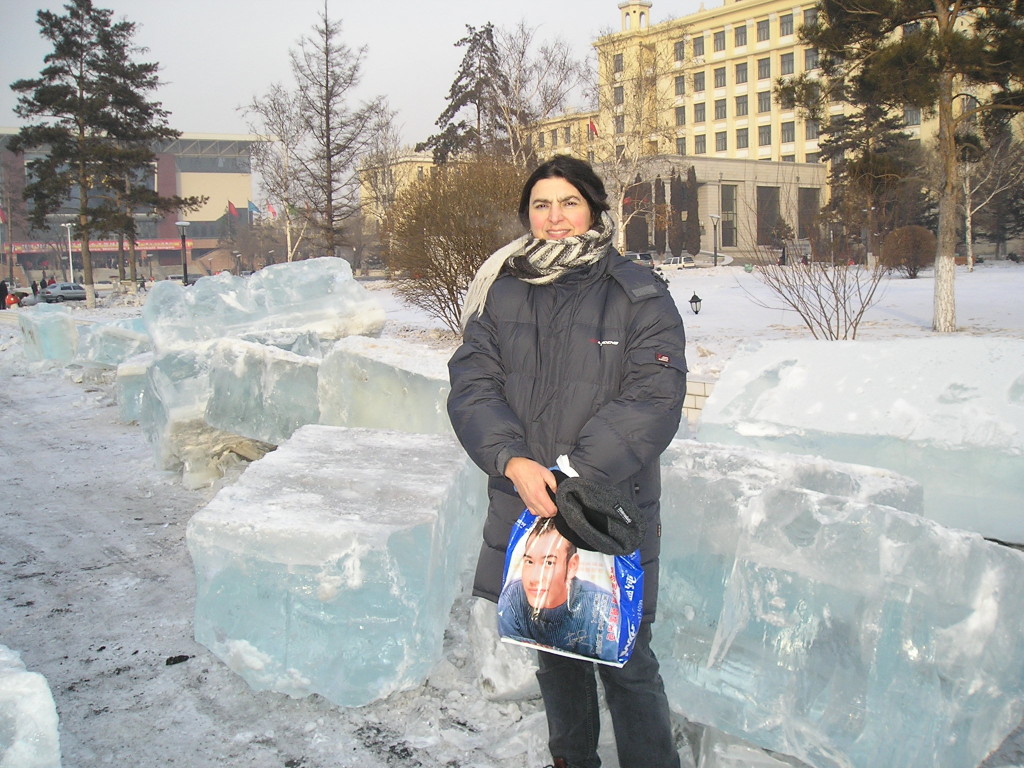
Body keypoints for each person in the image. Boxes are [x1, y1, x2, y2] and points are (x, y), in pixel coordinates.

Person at [447, 155, 688, 768]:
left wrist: (573, 474)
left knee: (626, 657)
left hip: (607, 504)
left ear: (595, 210)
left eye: (569, 203)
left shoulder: (637, 293)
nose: (555, 218)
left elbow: (654, 397)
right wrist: (512, 460)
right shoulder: (500, 290)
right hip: (527, 498)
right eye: (540, 205)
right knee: (552, 642)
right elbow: (473, 382)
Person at [498, 517, 616, 662]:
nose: (534, 578)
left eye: (549, 563)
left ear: (572, 566)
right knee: (554, 671)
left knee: (625, 676)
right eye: (529, 561)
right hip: (537, 500)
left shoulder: (600, 607)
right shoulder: (512, 599)